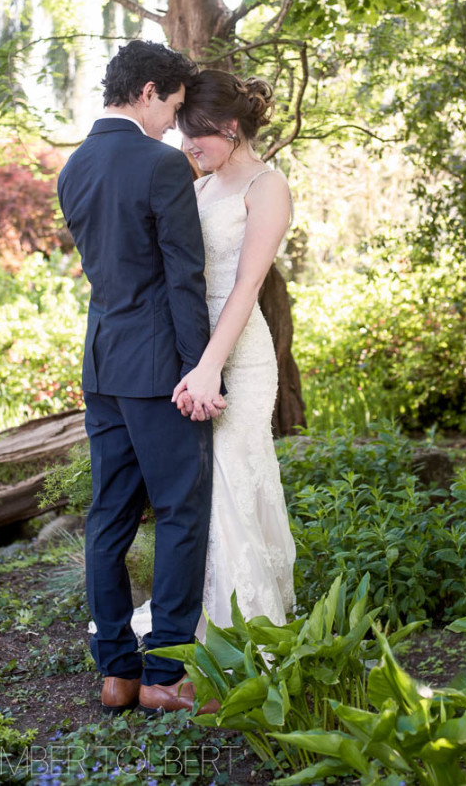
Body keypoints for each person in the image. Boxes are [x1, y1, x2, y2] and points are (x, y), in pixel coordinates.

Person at [58, 40, 225, 717]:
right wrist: (198, 370)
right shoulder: (160, 166)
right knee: (182, 512)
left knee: (109, 516)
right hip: (160, 367)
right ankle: (164, 675)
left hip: (102, 363)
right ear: (150, 91)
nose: (173, 126)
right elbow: (183, 277)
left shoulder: (75, 167)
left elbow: (108, 273)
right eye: (173, 108)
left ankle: (116, 676)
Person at [174, 69, 296, 636]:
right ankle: (199, 625)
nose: (186, 145)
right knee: (202, 488)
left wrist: (209, 366)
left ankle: (244, 635)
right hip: (196, 353)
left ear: (228, 125)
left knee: (232, 479)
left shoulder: (267, 185)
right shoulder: (198, 187)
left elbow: (247, 285)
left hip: (240, 357)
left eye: (194, 134)